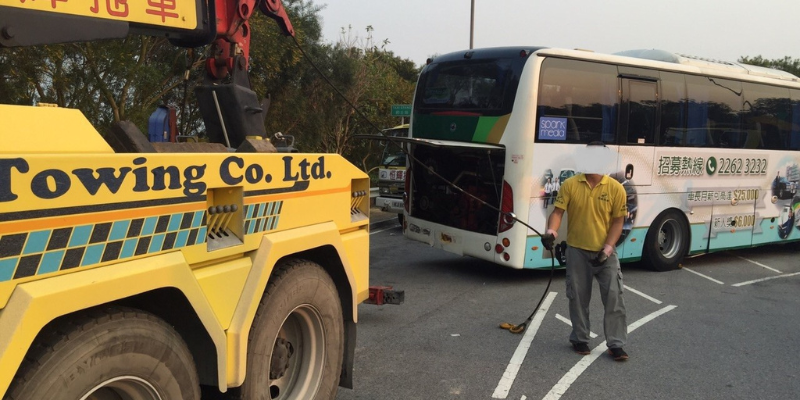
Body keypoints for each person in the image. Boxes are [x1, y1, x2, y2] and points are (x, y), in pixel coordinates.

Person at [540, 143, 629, 361]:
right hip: (577, 251)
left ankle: (616, 344)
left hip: (605, 253)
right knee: (578, 297)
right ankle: (580, 338)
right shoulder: (571, 185)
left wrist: (607, 249)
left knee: (614, 297)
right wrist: (551, 232)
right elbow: (558, 212)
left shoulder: (616, 188)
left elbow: (618, 222)